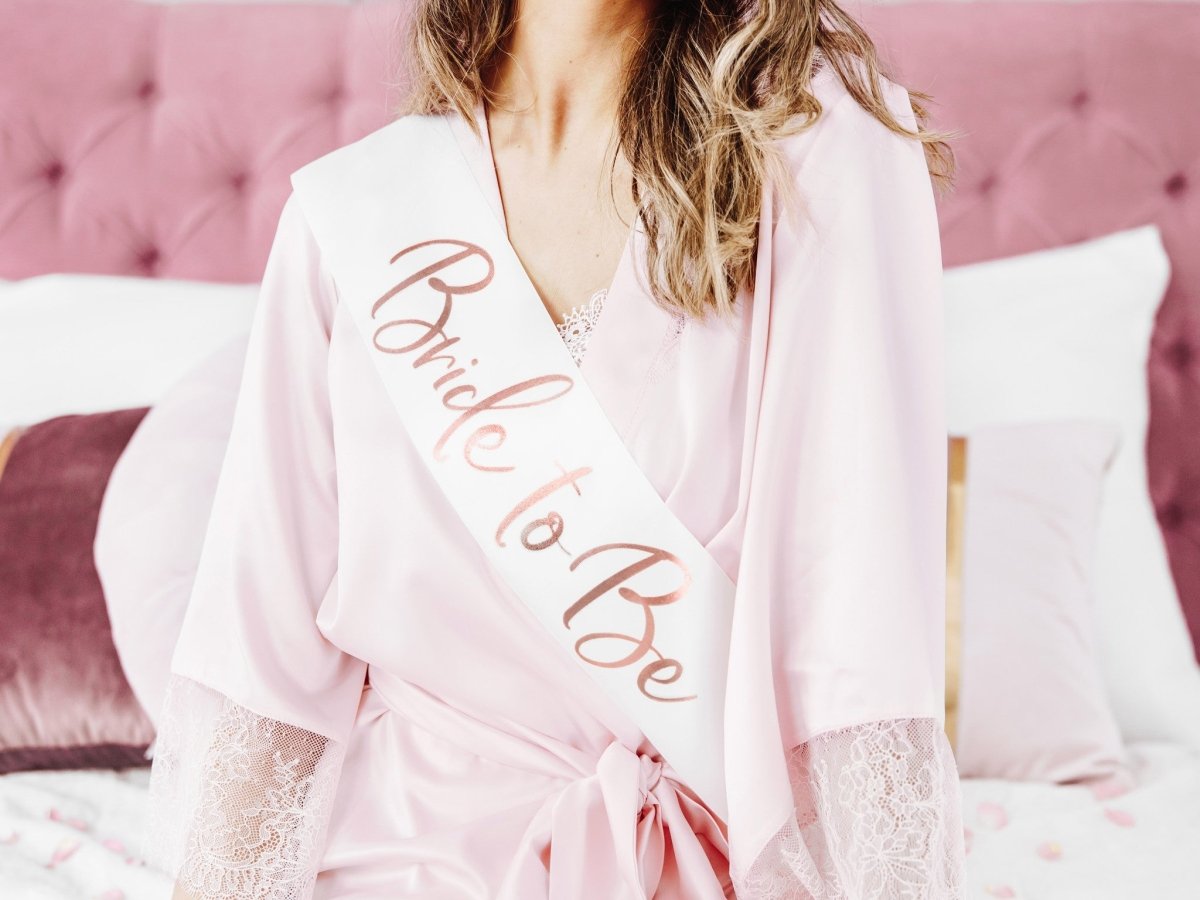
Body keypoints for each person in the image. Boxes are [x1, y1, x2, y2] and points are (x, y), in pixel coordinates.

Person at [142, 0, 967, 897]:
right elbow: (264, 666)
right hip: (393, 864)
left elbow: (857, 638)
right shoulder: (352, 219)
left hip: (697, 868)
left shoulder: (816, 145)